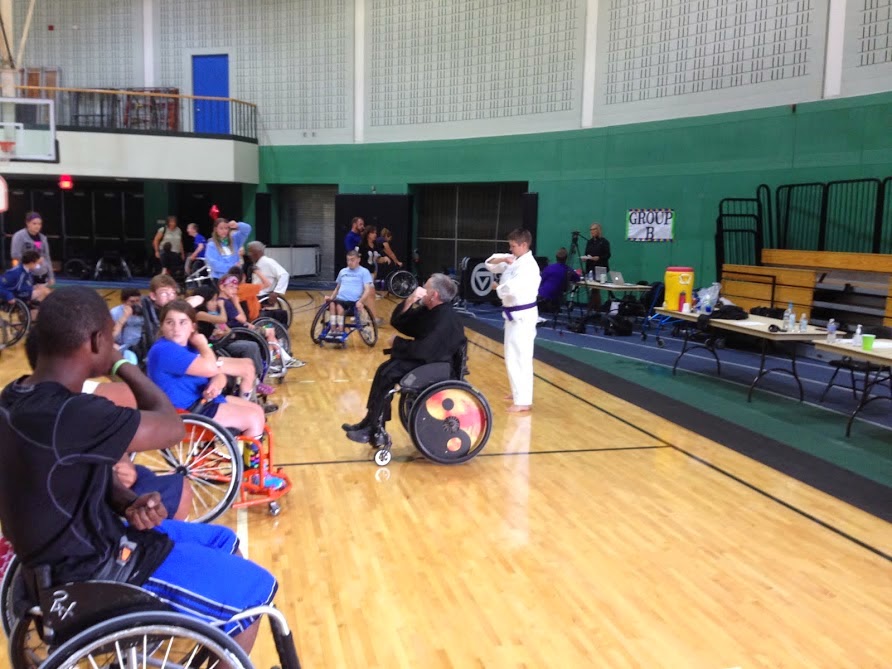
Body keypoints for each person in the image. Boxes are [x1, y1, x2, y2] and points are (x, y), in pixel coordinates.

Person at [0, 286, 277, 653]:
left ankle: (210, 623)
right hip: (98, 569)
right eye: (110, 338)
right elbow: (172, 426)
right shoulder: (75, 414)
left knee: (223, 542)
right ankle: (220, 621)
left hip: (64, 561)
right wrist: (121, 364)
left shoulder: (16, 396)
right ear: (97, 340)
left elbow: (60, 479)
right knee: (257, 589)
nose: (114, 343)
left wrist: (125, 501)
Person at [342, 273, 464, 443]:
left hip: (437, 366)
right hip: (429, 361)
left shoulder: (445, 318)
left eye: (425, 288)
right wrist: (410, 300)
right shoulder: (432, 310)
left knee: (389, 373)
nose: (421, 290)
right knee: (384, 370)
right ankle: (370, 421)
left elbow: (424, 350)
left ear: (434, 295)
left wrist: (397, 343)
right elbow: (399, 322)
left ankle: (374, 428)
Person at [147, 299, 267, 436]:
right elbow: (211, 368)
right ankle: (248, 456)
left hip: (203, 402)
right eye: (170, 322)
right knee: (254, 418)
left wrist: (216, 384)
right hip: (187, 411)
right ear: (162, 326)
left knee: (257, 410)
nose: (176, 328)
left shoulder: (187, 347)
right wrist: (203, 344)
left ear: (192, 327)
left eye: (182, 322)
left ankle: (243, 453)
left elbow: (218, 373)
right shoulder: (165, 350)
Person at [485, 228, 541, 413]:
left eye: (513, 246)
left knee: (520, 357)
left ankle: (524, 400)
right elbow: (490, 264)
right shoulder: (514, 259)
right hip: (512, 316)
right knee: (511, 356)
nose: (511, 249)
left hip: (522, 317)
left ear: (524, 245)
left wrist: (496, 287)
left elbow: (512, 288)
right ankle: (518, 391)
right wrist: (503, 258)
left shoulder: (529, 266)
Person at [326, 250, 374, 335]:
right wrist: (331, 297)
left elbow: (367, 290)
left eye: (352, 260)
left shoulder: (364, 272)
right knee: (332, 304)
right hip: (340, 299)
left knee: (339, 308)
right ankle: (333, 330)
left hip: (353, 302)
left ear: (358, 260)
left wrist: (361, 301)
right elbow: (337, 288)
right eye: (348, 260)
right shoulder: (343, 271)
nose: (349, 262)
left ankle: (340, 330)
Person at [10, 211, 54, 287]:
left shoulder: (42, 238)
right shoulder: (19, 236)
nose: (37, 226)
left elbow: (47, 257)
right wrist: (33, 260)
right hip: (25, 274)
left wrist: (51, 276)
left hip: (41, 274)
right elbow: (15, 255)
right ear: (27, 223)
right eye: (34, 223)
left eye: (39, 224)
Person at [246, 241, 290, 312]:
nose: (248, 254)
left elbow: (284, 275)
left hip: (262, 295)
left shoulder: (268, 262)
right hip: (255, 293)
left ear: (256, 253)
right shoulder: (257, 263)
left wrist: (276, 292)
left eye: (250, 252)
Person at [538, 247, 579, 313]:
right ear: (566, 259)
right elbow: (577, 278)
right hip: (557, 295)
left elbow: (541, 280)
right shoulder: (568, 270)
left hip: (542, 293)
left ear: (556, 257)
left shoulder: (548, 268)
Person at [110, 288, 144, 363]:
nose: (135, 304)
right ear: (124, 302)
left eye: (138, 301)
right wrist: (124, 317)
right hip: (123, 347)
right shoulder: (115, 313)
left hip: (141, 346)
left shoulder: (145, 312)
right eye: (132, 302)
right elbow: (110, 335)